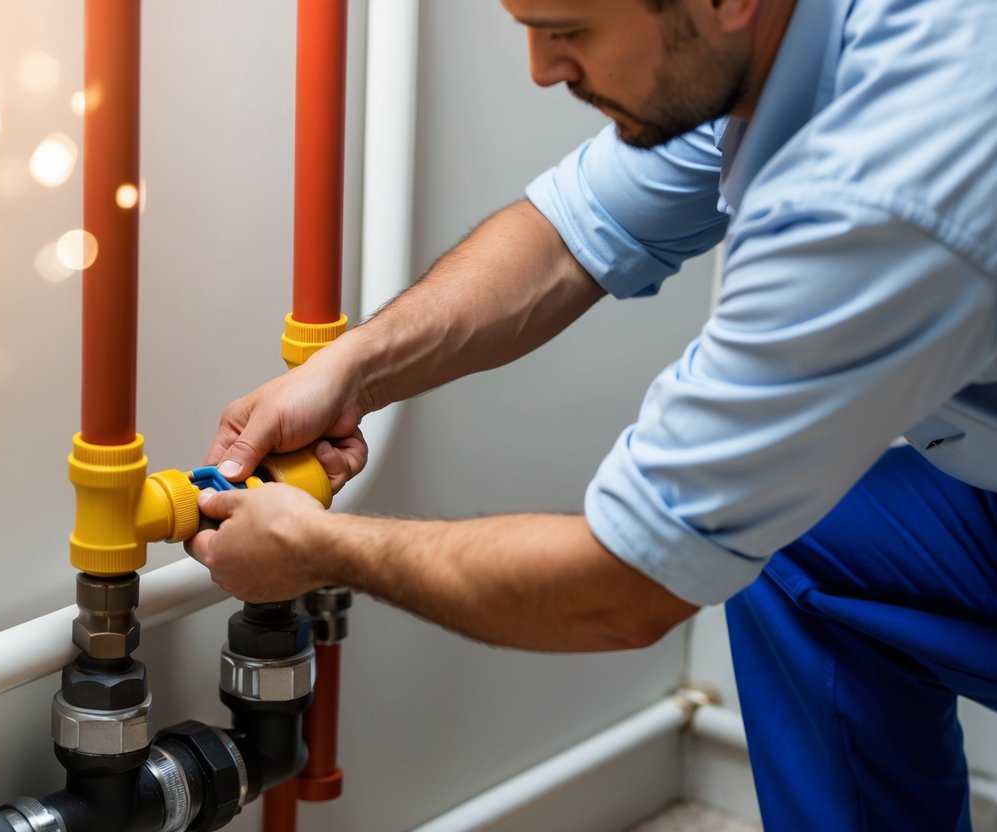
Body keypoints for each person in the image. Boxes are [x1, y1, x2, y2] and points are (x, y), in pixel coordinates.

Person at [187, 0, 997, 827]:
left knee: (735, 535)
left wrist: (315, 549)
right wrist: (351, 368)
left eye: (569, 29)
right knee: (799, 545)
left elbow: (627, 585)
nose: (542, 68)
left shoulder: (880, 177)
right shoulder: (777, 43)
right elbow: (566, 236)